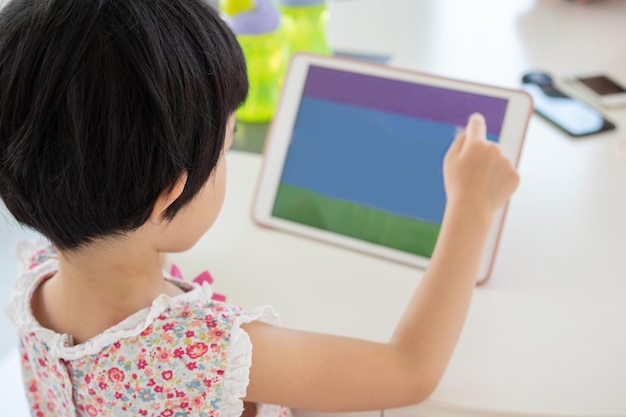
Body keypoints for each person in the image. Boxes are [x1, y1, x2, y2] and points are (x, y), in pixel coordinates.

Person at [0, 0, 520, 416]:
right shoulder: (208, 352)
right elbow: (410, 371)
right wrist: (471, 207)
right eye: (226, 149)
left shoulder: (31, 279)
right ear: (171, 195)